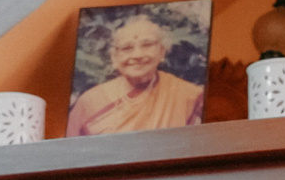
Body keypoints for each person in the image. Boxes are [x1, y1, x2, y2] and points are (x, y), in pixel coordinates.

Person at [66, 13, 204, 135]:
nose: (137, 55)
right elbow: (71, 150)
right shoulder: (90, 102)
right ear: (114, 58)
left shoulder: (187, 95)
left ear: (162, 51)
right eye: (127, 48)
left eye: (147, 45)